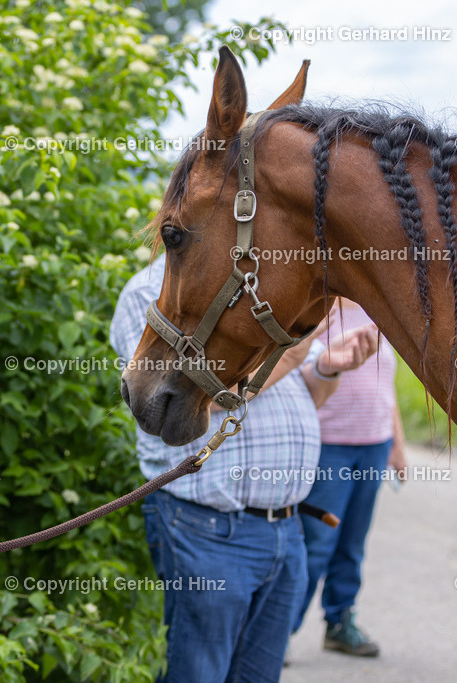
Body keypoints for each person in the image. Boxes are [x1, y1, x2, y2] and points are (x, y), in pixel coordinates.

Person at [110, 256, 379, 682]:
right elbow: (175, 402)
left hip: (285, 531)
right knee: (198, 673)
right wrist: (289, 357)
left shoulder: (248, 294)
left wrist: (327, 368)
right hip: (210, 528)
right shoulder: (151, 292)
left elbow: (310, 396)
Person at [292, 298, 407, 657]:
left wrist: (397, 445)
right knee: (317, 545)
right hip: (329, 445)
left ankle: (340, 622)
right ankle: (280, 630)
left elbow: (385, 387)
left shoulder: (378, 311)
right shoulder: (315, 310)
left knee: (352, 544)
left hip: (374, 443)